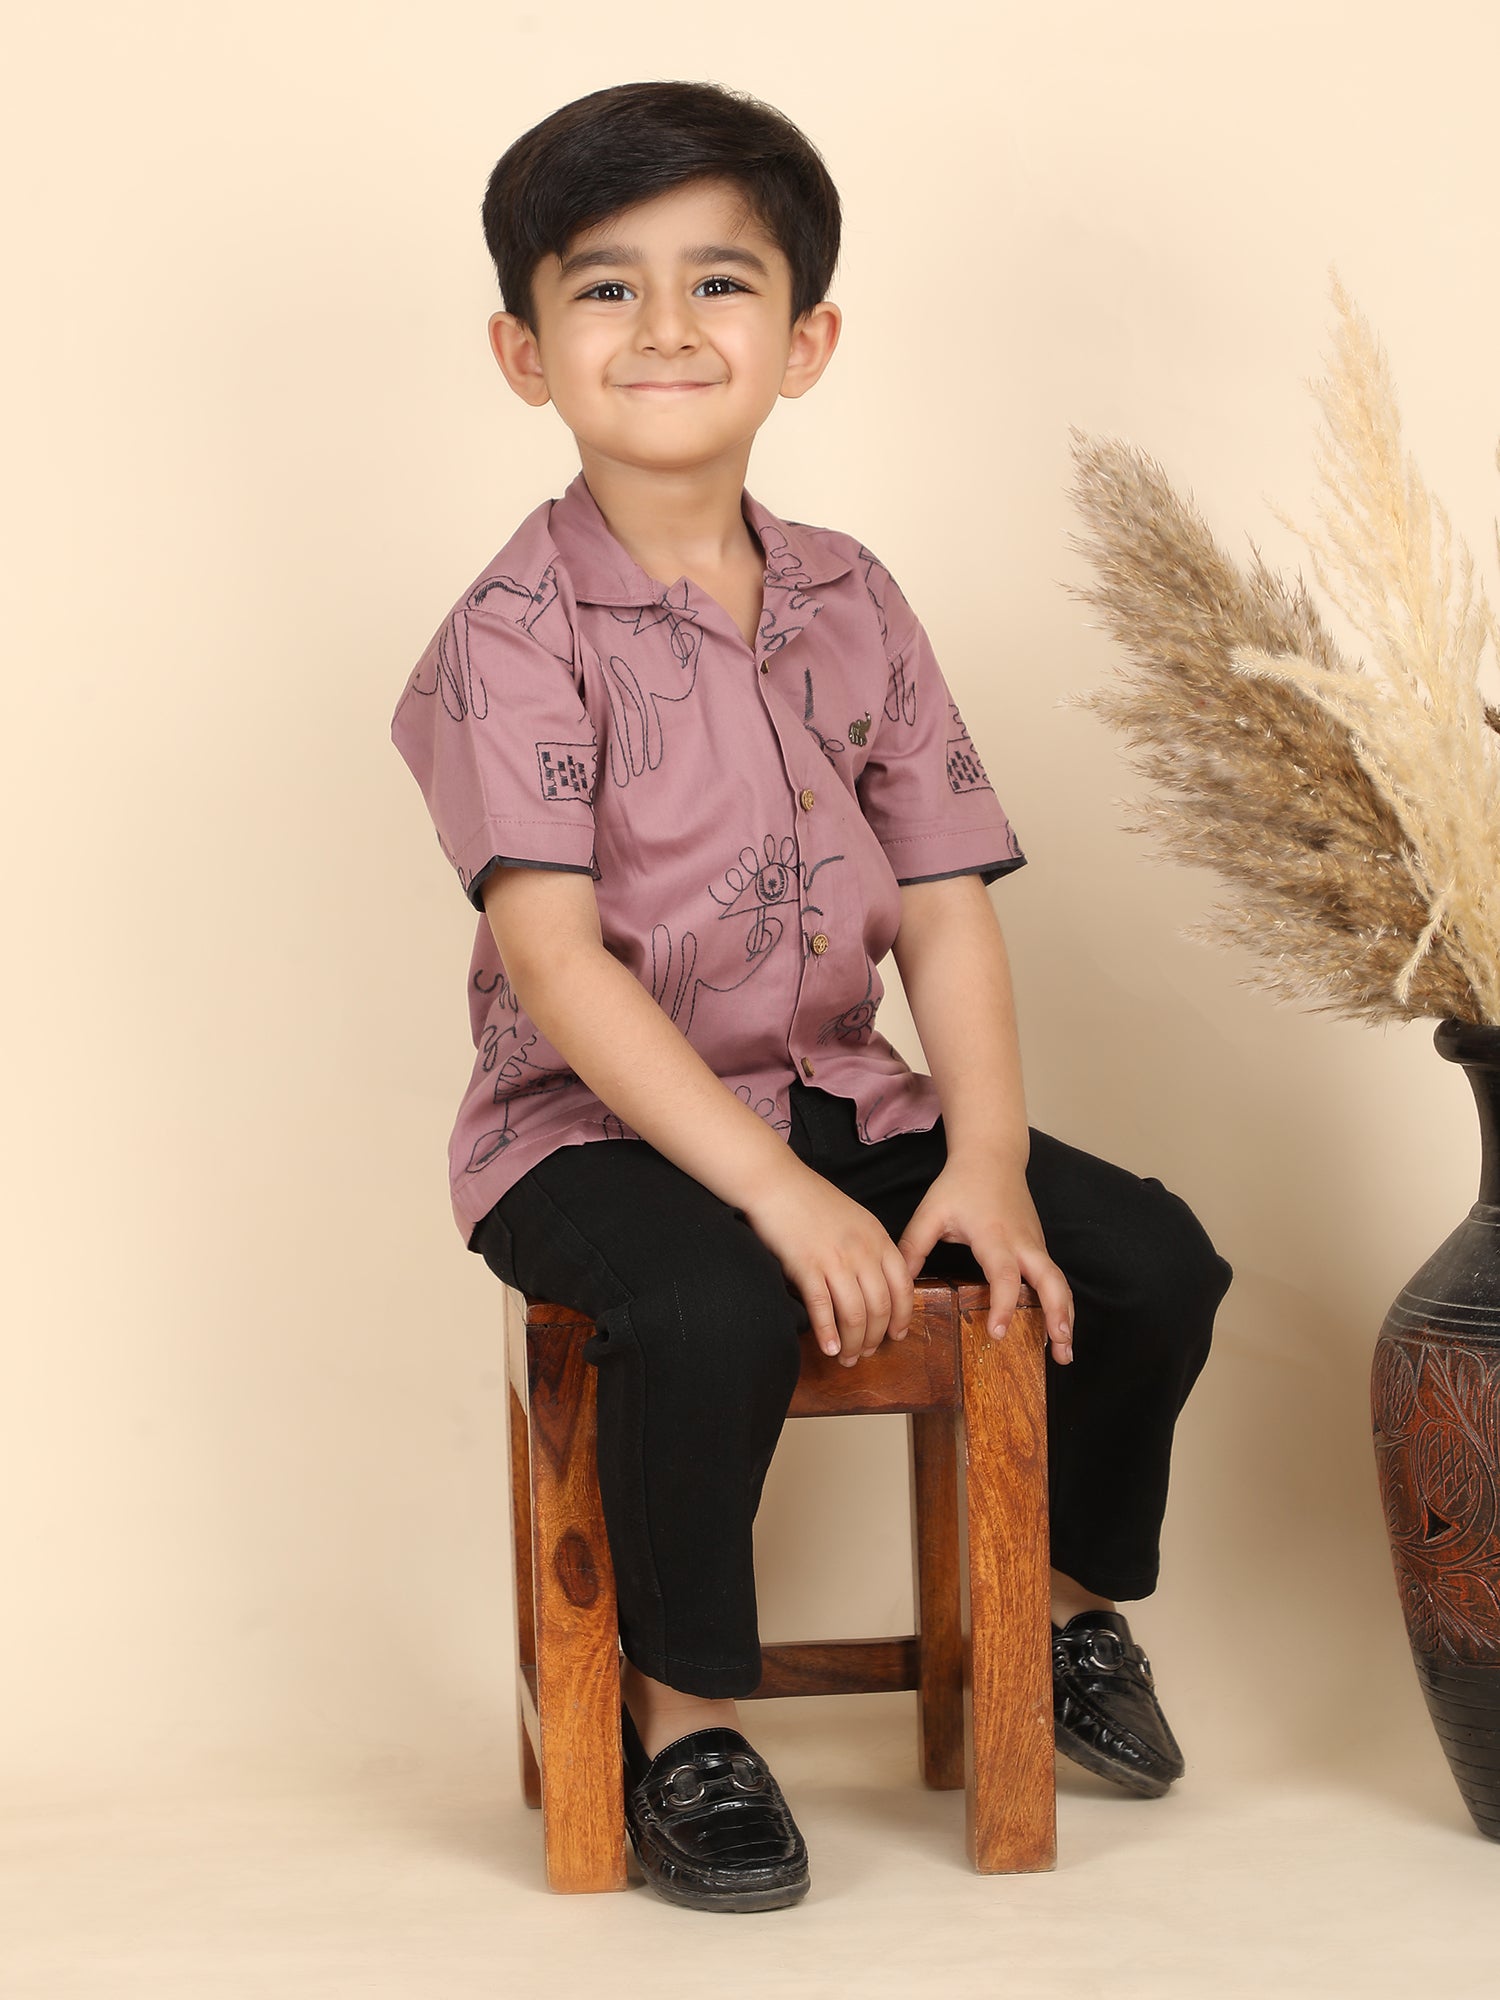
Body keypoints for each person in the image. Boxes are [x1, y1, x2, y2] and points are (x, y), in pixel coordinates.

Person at [390, 79, 1233, 1914]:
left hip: (842, 1097)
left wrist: (984, 1157)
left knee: (1150, 1260)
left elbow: (943, 902)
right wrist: (773, 1199)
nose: (666, 327)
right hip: (587, 1133)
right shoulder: (510, 638)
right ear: (525, 353)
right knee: (707, 1312)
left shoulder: (854, 597)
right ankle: (689, 1719)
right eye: (604, 289)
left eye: (720, 281)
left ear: (806, 338)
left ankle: (1068, 1610)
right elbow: (555, 958)